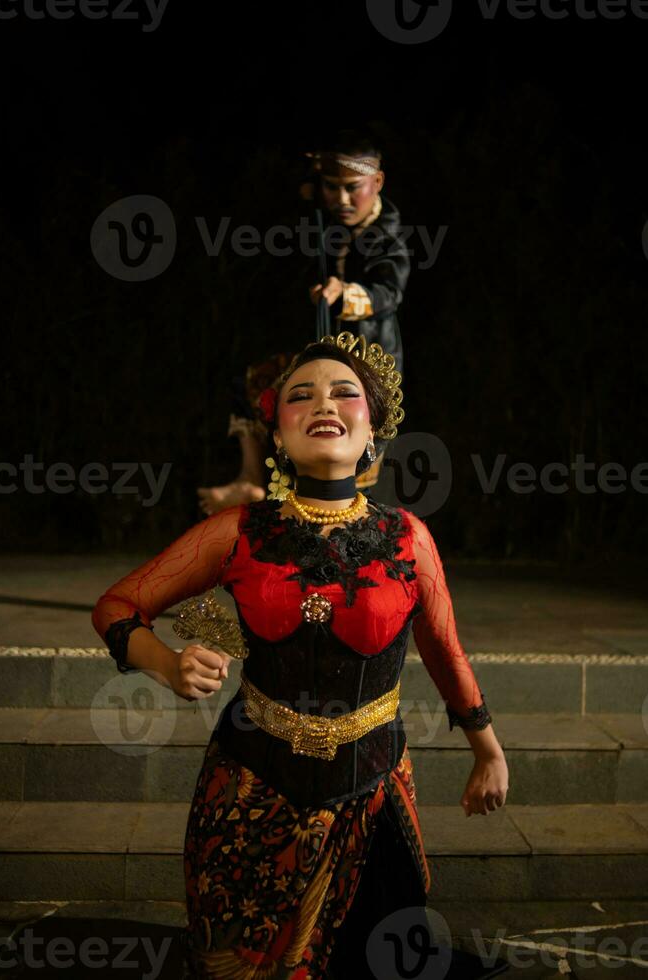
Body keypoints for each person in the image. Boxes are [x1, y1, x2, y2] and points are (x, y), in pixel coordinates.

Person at [92, 332, 508, 979]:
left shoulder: (407, 539)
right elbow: (117, 607)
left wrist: (488, 750)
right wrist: (167, 663)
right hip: (247, 798)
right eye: (300, 394)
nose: (325, 401)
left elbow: (445, 649)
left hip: (369, 797)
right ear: (278, 436)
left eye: (346, 392)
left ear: (372, 430)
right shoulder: (238, 533)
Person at [197, 128, 411, 517]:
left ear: (377, 182)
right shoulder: (325, 220)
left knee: (347, 450)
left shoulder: (388, 234)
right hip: (325, 354)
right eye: (331, 187)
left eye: (353, 188)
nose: (341, 199)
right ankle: (251, 478)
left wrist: (345, 293)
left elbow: (389, 292)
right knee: (256, 382)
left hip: (368, 361)